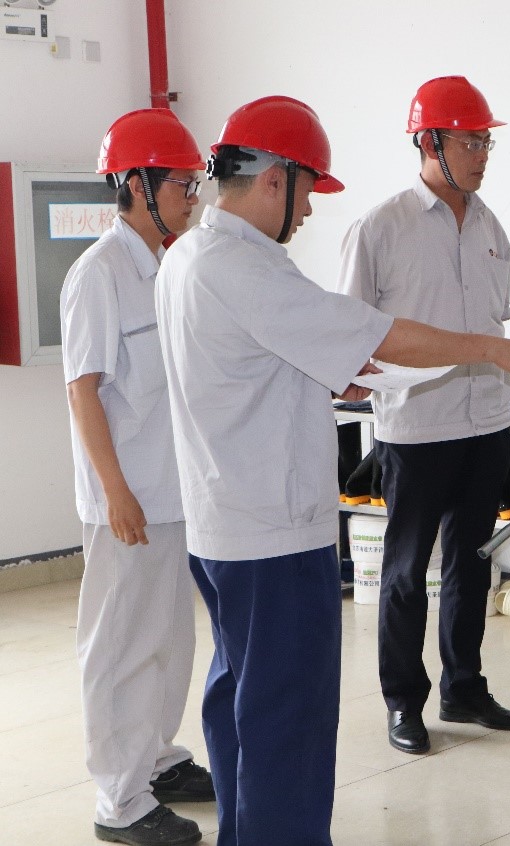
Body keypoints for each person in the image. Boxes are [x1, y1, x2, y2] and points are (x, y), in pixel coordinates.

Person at [155, 94, 510, 846]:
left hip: (226, 524)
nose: (310, 209)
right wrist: (494, 349)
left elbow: (279, 358)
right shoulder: (244, 266)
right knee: (288, 715)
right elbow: (377, 332)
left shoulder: (190, 254)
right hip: (274, 532)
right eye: (308, 190)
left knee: (241, 696)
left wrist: (339, 369)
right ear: (275, 179)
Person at [337, 76, 510, 755]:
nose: (481, 155)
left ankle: (464, 687)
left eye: (485, 142)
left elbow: (494, 322)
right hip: (416, 429)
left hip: (486, 422)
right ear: (428, 142)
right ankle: (403, 702)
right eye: (469, 141)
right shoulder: (379, 228)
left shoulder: (490, 226)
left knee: (471, 565)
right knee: (405, 573)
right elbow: (350, 332)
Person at [60, 109, 214, 846]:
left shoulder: (170, 267)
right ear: (136, 185)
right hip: (127, 498)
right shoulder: (99, 274)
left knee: (169, 639)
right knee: (120, 644)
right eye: (181, 184)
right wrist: (115, 491)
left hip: (175, 490)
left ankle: (157, 758)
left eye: (193, 183)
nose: (192, 198)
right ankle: (118, 800)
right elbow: (83, 389)